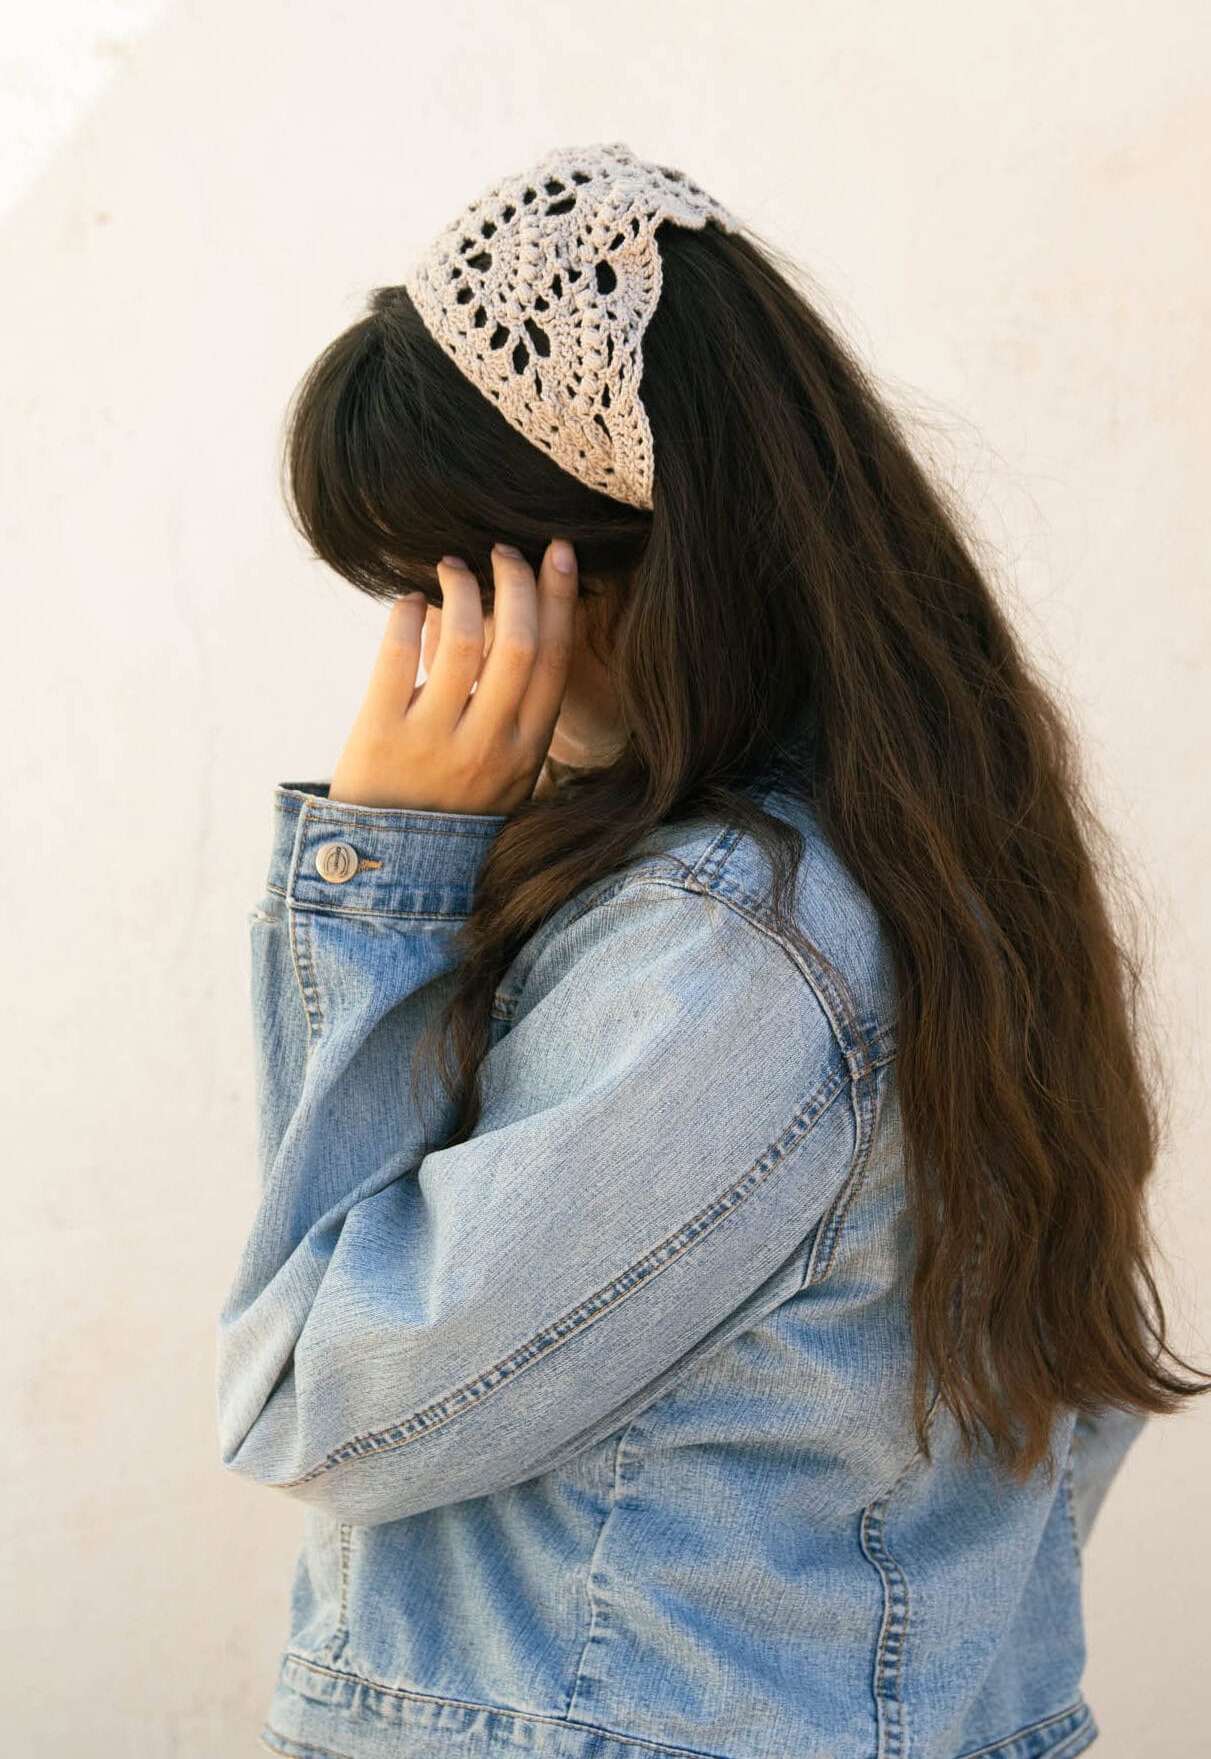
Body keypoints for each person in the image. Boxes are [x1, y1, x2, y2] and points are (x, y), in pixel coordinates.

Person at [214, 141, 1207, 1759]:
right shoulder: (948, 865)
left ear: (575, 576)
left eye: (439, 591)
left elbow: (314, 1400)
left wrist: (380, 866)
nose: (430, 659)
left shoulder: (730, 952)